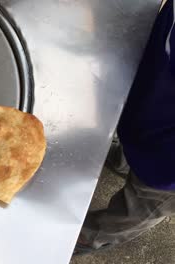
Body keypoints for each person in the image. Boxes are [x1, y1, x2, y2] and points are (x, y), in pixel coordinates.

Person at [74, 0, 175, 254]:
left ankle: (88, 238)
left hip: (168, 171)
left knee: (134, 210)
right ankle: (123, 160)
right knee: (130, 146)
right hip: (151, 104)